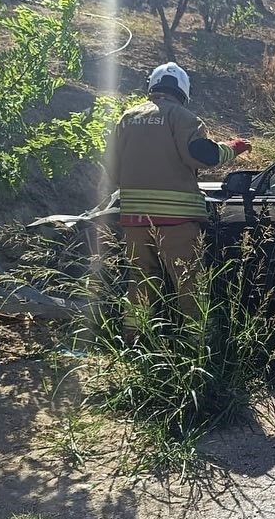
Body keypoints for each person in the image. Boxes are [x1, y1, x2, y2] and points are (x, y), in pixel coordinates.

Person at [106, 62, 251, 335]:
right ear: (183, 90)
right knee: (190, 283)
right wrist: (234, 148)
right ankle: (197, 345)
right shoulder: (183, 118)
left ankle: (133, 340)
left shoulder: (127, 118)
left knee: (141, 282)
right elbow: (204, 155)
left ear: (152, 87)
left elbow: (112, 168)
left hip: (134, 221)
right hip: (177, 222)